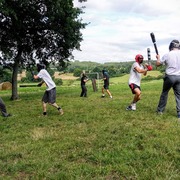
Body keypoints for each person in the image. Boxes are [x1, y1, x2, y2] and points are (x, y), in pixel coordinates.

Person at [156, 39, 180, 118]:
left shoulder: (168, 54)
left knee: (165, 93)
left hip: (169, 77)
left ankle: (160, 110)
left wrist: (158, 58)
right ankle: (179, 113)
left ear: (171, 46)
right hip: (179, 77)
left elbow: (158, 64)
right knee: (178, 95)